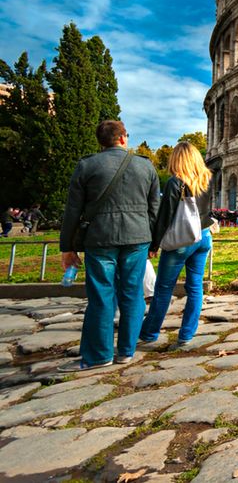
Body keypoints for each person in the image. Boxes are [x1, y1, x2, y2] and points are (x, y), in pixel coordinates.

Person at [58, 120, 159, 370]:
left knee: (101, 295)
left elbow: (73, 210)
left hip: (100, 238)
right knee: (133, 293)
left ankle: (98, 355)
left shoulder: (87, 165)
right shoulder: (145, 166)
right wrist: (154, 242)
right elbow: (154, 209)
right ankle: (126, 351)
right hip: (137, 238)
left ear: (100, 142)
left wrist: (66, 247)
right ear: (124, 138)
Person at [139, 142, 215, 347]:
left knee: (163, 288)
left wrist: (154, 245)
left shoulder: (175, 182)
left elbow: (165, 217)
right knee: (195, 287)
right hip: (204, 236)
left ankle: (149, 333)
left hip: (182, 239)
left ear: (177, 159)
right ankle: (187, 334)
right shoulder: (207, 179)